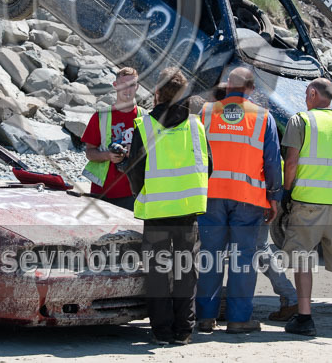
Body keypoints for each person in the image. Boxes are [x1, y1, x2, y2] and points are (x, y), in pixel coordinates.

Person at [125, 68, 212, 345]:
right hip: (188, 212)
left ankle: (162, 331)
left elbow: (134, 173)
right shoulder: (196, 126)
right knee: (186, 270)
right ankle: (184, 331)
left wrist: (144, 192)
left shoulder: (144, 126)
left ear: (158, 93)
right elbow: (208, 167)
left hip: (157, 212)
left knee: (158, 273)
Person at [195, 67, 282, 334]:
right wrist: (274, 197)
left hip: (211, 195)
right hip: (248, 198)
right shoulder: (263, 117)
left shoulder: (206, 112)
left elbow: (195, 152)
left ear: (227, 85)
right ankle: (237, 319)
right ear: (251, 89)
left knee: (210, 256)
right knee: (243, 259)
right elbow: (271, 162)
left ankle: (205, 318)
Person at [281, 77, 332, 337]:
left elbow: (291, 162)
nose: (305, 98)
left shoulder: (301, 120)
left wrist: (286, 189)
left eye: (306, 93)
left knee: (303, 260)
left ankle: (305, 318)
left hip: (308, 205)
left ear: (313, 94)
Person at [82, 67, 145, 210]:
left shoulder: (145, 117)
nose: (127, 90)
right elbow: (89, 152)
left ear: (137, 87)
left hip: (133, 192)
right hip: (102, 191)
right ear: (115, 86)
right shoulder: (101, 116)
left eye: (132, 85)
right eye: (123, 85)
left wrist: (134, 152)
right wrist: (108, 155)